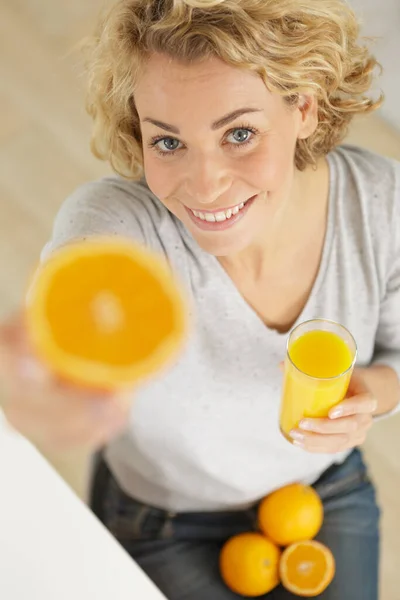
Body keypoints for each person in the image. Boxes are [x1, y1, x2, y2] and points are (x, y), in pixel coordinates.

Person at [1, 0, 400, 598]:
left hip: (320, 489)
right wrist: (33, 376)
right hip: (162, 521)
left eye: (239, 133)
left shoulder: (381, 206)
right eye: (168, 143)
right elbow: (67, 297)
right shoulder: (119, 224)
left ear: (305, 108)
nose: (205, 183)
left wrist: (374, 394)